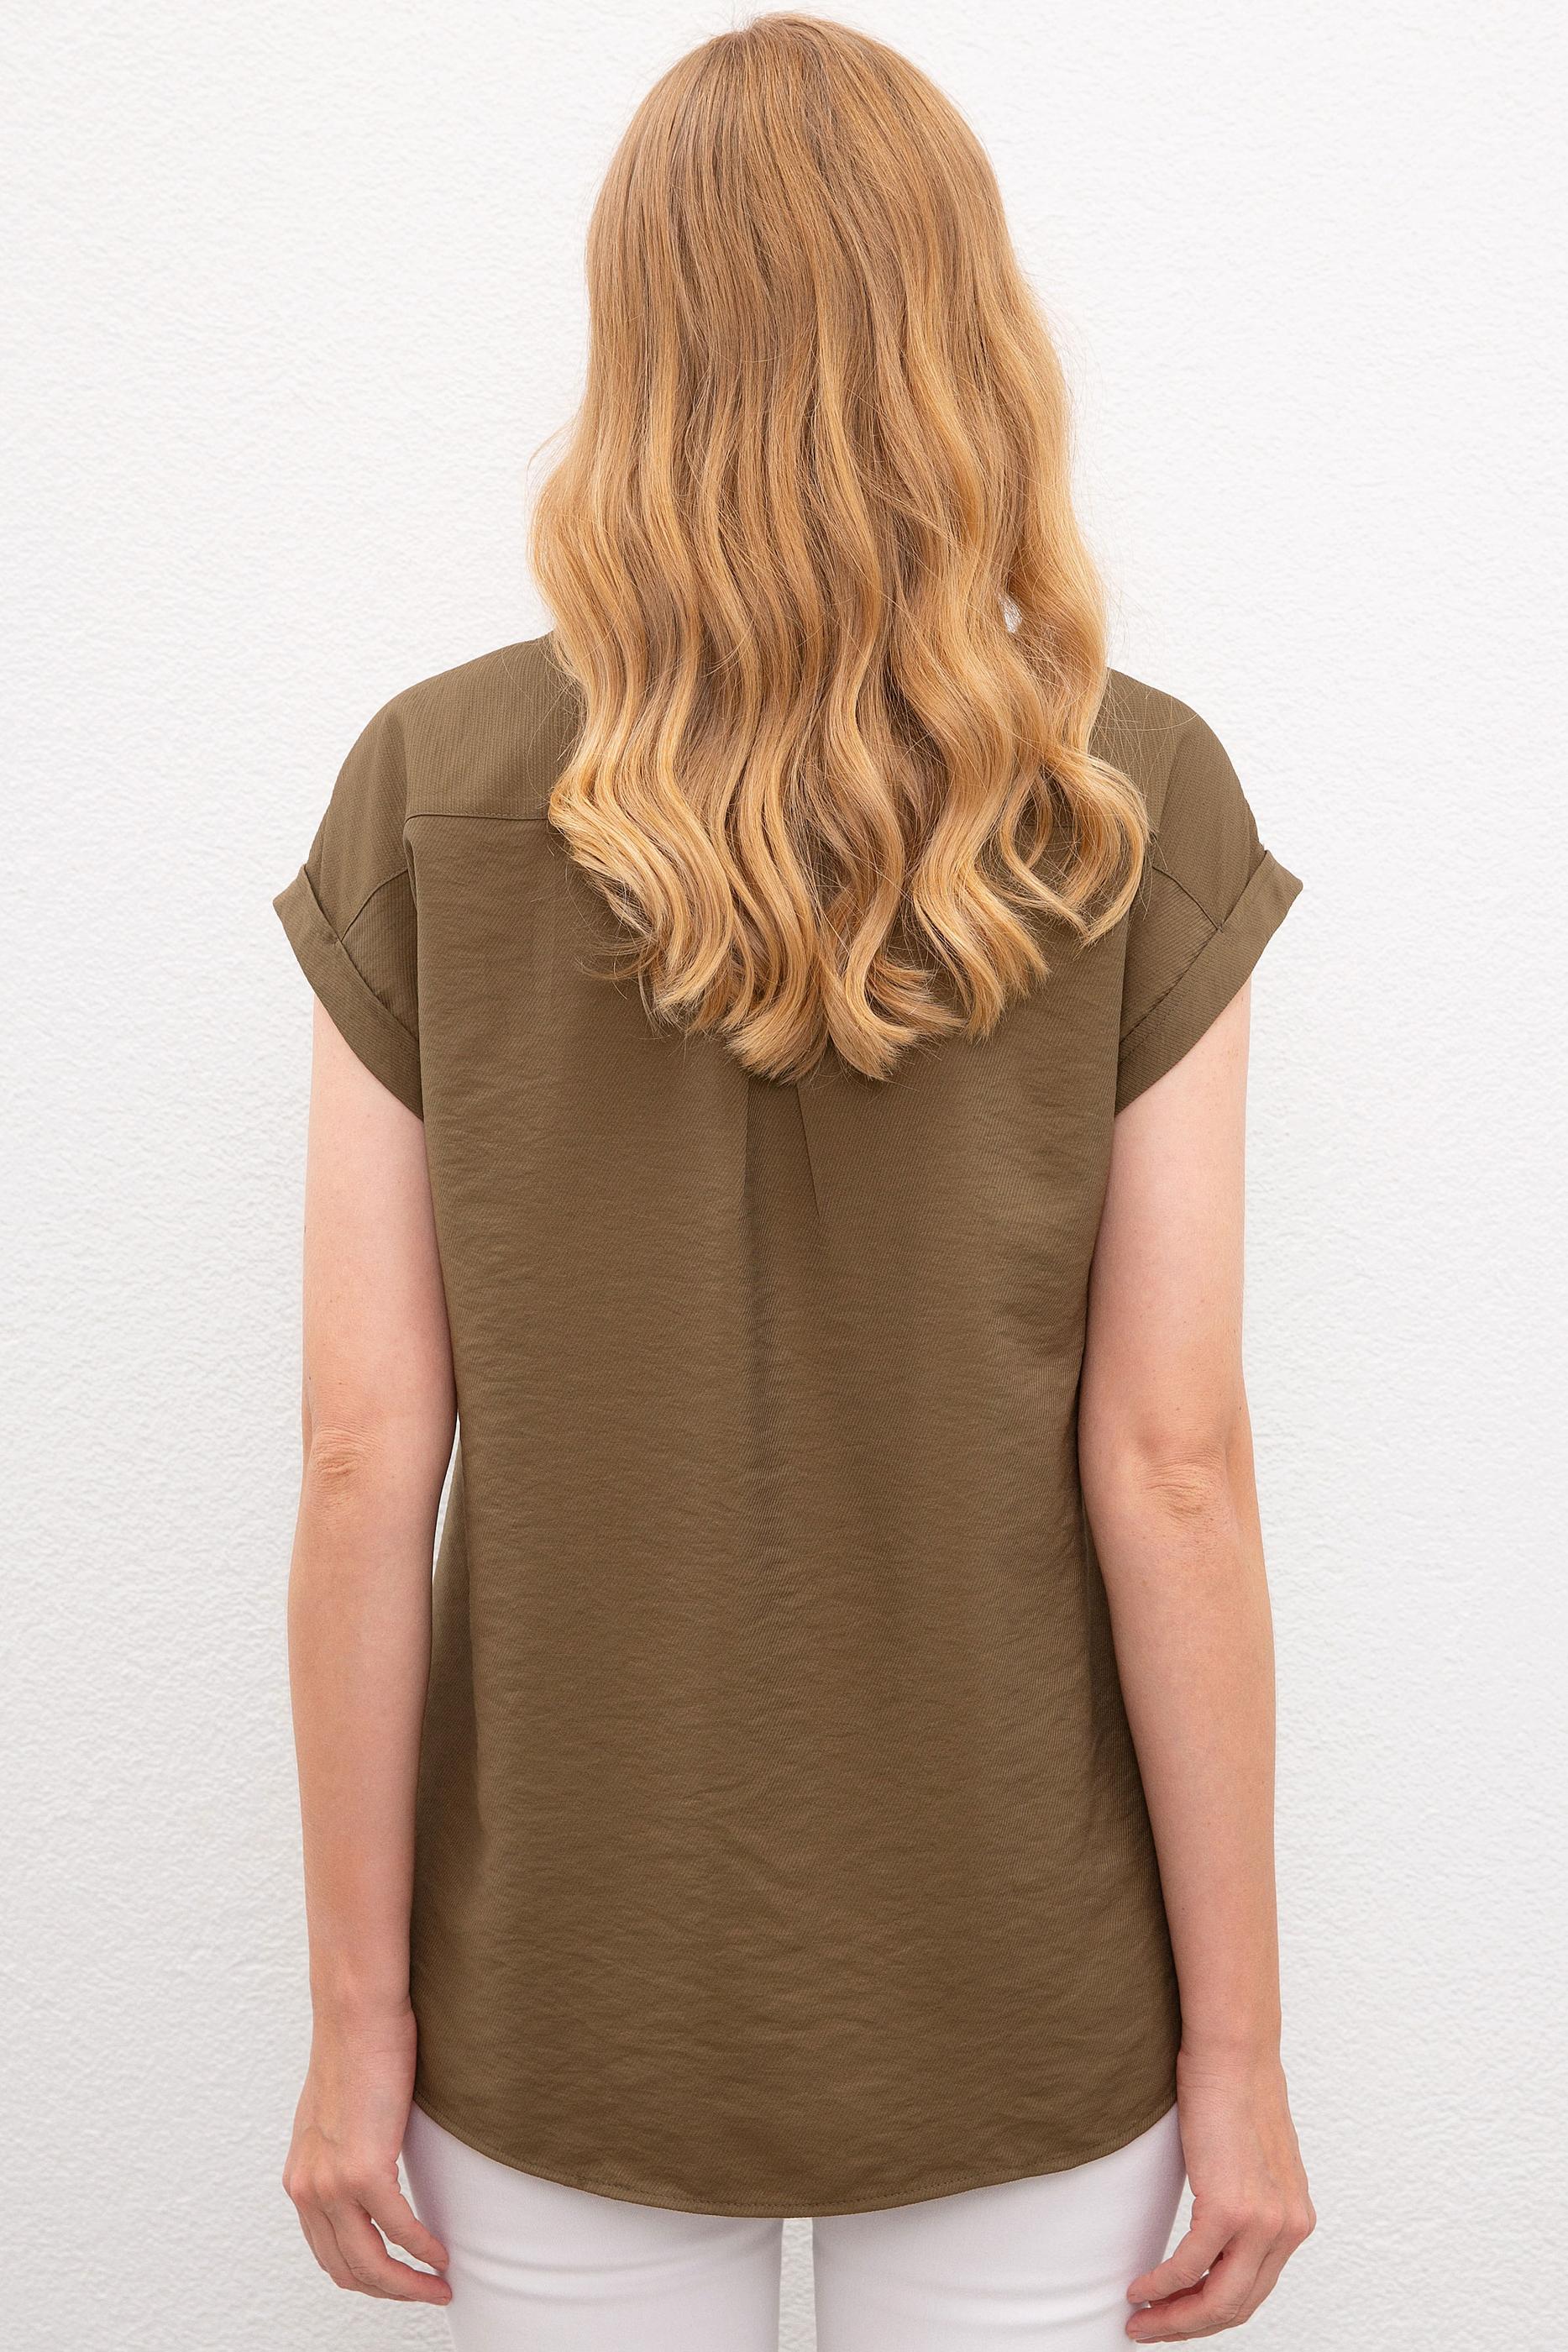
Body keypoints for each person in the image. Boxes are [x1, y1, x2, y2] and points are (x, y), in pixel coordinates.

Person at [273, 16, 1313, 2348]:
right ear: (968, 329)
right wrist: (1238, 2061)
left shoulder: (435, 782)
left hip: (562, 1984)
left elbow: (360, 1460)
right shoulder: (1125, 795)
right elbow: (1170, 1460)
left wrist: (356, 2021)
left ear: (636, 333)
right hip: (1024, 1978)